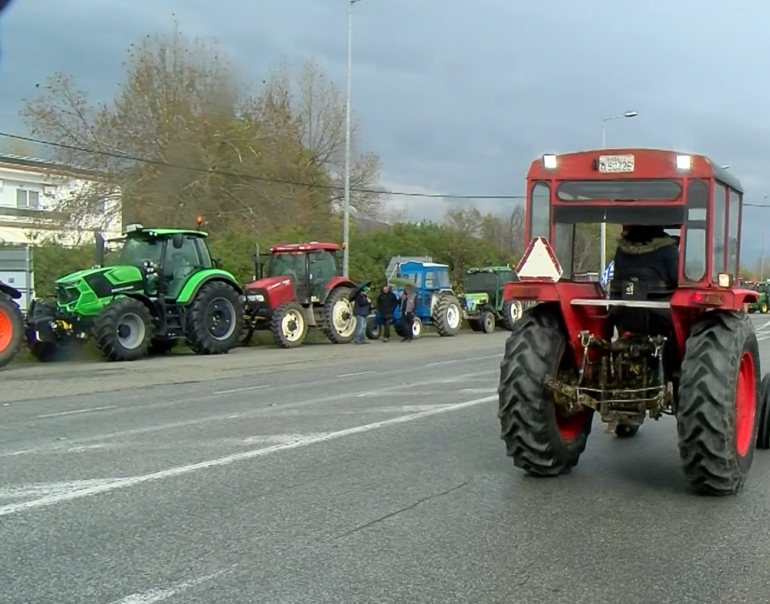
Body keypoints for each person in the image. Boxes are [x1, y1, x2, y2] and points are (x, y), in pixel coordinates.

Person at [612, 225, 679, 287]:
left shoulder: (621, 248)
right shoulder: (668, 248)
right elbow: (677, 277)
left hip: (621, 295)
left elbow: (616, 274)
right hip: (660, 297)